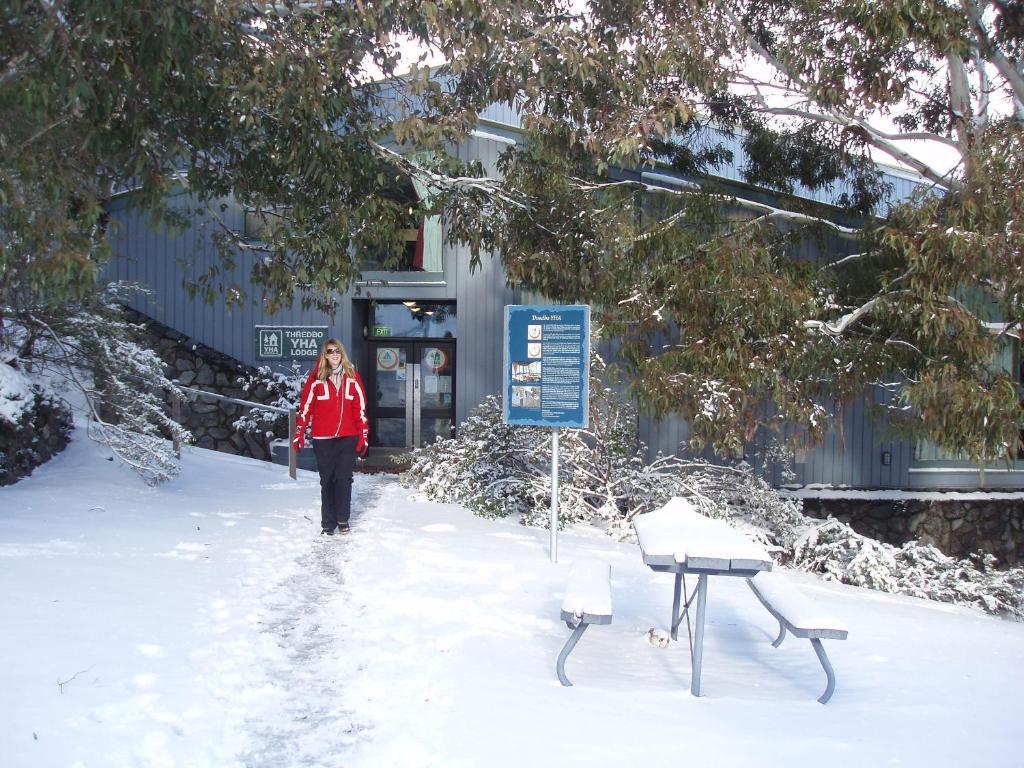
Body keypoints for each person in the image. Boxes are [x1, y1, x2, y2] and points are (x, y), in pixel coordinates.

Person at [293, 339, 369, 535]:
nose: (334, 354)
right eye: (330, 351)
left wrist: (363, 435)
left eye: (337, 351)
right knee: (327, 480)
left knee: (343, 479)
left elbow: (359, 409)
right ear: (325, 355)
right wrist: (299, 432)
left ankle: (343, 519)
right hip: (323, 439)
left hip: (347, 437)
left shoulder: (352, 377)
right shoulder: (316, 378)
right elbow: (306, 408)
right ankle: (328, 523)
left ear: (342, 354)